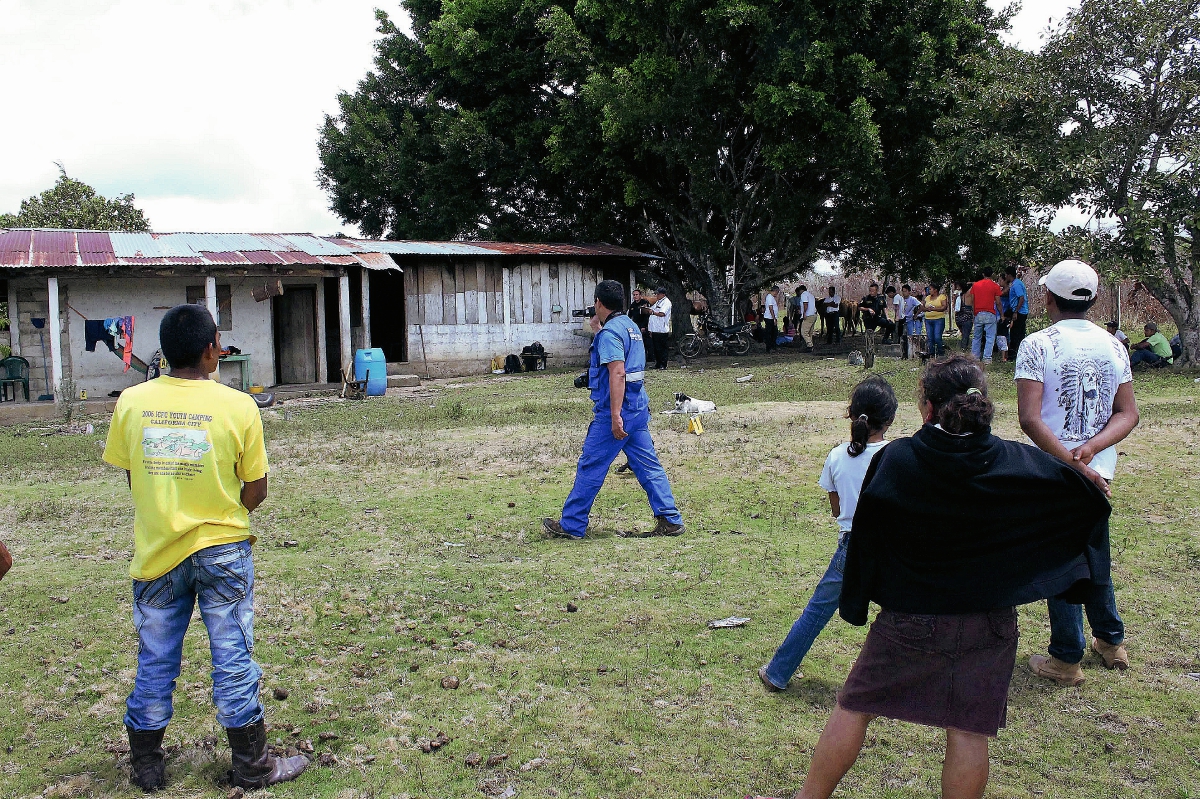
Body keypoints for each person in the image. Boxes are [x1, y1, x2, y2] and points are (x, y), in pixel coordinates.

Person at [752, 356, 1112, 799]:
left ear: (926, 408)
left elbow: (867, 534)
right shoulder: (1020, 461)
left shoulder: (899, 459)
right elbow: (1088, 500)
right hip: (990, 622)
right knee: (968, 731)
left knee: (854, 706)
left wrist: (859, 600)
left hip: (910, 617)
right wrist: (1082, 481)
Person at [102, 304, 308, 791]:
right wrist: (219, 508)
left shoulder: (131, 402)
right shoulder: (239, 406)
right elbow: (256, 491)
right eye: (218, 339)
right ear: (210, 348)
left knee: (155, 658)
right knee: (233, 655)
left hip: (157, 554)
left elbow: (136, 479)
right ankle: (253, 764)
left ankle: (148, 767)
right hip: (223, 550)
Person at [1015, 259, 1140, 685]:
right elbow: (1128, 414)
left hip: (1055, 472)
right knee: (1094, 551)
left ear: (1048, 296)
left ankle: (1066, 657)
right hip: (1100, 473)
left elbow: (1030, 419)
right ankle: (1110, 641)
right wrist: (1092, 453)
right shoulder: (1114, 345)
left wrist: (1072, 460)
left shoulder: (1037, 345)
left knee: (1062, 561)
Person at [758, 377, 897, 692]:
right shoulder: (896, 454)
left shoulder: (837, 456)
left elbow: (837, 511)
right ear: (890, 419)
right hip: (894, 548)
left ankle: (777, 672)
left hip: (852, 548)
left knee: (817, 611)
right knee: (908, 615)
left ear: (850, 414)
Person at [544, 280, 685, 539]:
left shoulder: (611, 334)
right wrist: (598, 330)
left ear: (598, 302)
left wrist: (616, 416)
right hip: (638, 408)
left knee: (591, 465)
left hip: (617, 412)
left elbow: (618, 373)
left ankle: (572, 525)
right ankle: (670, 519)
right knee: (647, 466)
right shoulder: (629, 326)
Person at [969, 267, 1004, 364]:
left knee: (976, 337)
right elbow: (998, 302)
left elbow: (972, 301)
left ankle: (974, 357)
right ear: (992, 274)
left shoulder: (975, 285)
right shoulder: (995, 286)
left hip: (978, 313)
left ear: (983, 274)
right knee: (990, 337)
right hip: (990, 313)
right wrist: (1002, 315)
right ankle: (987, 358)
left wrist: (973, 314)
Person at [1001, 266, 1029, 355]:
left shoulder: (1016, 284)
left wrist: (1016, 311)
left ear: (1009, 275)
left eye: (1006, 275)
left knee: (1015, 333)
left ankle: (1013, 354)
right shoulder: (1015, 283)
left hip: (1020, 312)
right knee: (1018, 332)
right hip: (1018, 310)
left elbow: (1021, 298)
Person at [647, 285, 672, 370]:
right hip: (655, 329)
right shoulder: (658, 302)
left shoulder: (666, 303)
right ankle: (657, 363)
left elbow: (662, 313)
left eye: (658, 294)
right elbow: (652, 310)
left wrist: (653, 312)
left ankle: (663, 364)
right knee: (656, 348)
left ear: (663, 294)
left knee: (662, 348)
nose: (656, 296)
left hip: (662, 329)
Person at [922, 283, 948, 357]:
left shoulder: (942, 297)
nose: (929, 291)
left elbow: (944, 307)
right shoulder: (927, 298)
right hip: (928, 319)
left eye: (930, 289)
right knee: (930, 338)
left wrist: (934, 309)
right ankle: (931, 354)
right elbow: (922, 307)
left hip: (938, 319)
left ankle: (941, 353)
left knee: (937, 337)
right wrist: (927, 309)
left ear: (935, 290)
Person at [897, 285, 921, 359]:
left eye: (905, 291)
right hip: (901, 319)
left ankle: (913, 353)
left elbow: (921, 306)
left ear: (909, 292)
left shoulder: (913, 299)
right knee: (901, 336)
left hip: (909, 319)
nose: (904, 293)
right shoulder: (900, 299)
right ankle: (903, 353)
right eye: (903, 291)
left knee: (910, 336)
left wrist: (916, 315)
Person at [795, 284, 817, 352]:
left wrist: (804, 313)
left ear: (801, 290)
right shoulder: (811, 295)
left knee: (804, 332)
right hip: (814, 314)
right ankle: (809, 347)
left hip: (808, 315)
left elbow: (805, 304)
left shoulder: (803, 295)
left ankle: (810, 346)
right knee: (809, 332)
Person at [954, 280, 974, 352]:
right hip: (966, 318)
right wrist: (972, 283)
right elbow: (975, 286)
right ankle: (963, 350)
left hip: (958, 318)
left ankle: (963, 349)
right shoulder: (968, 294)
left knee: (964, 334)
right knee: (966, 336)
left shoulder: (959, 296)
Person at [763, 285, 781, 353]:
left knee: (774, 332)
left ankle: (773, 345)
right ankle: (769, 347)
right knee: (769, 333)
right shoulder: (769, 297)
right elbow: (771, 308)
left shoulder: (771, 297)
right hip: (769, 318)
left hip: (772, 317)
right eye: (777, 292)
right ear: (775, 291)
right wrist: (774, 318)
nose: (777, 294)